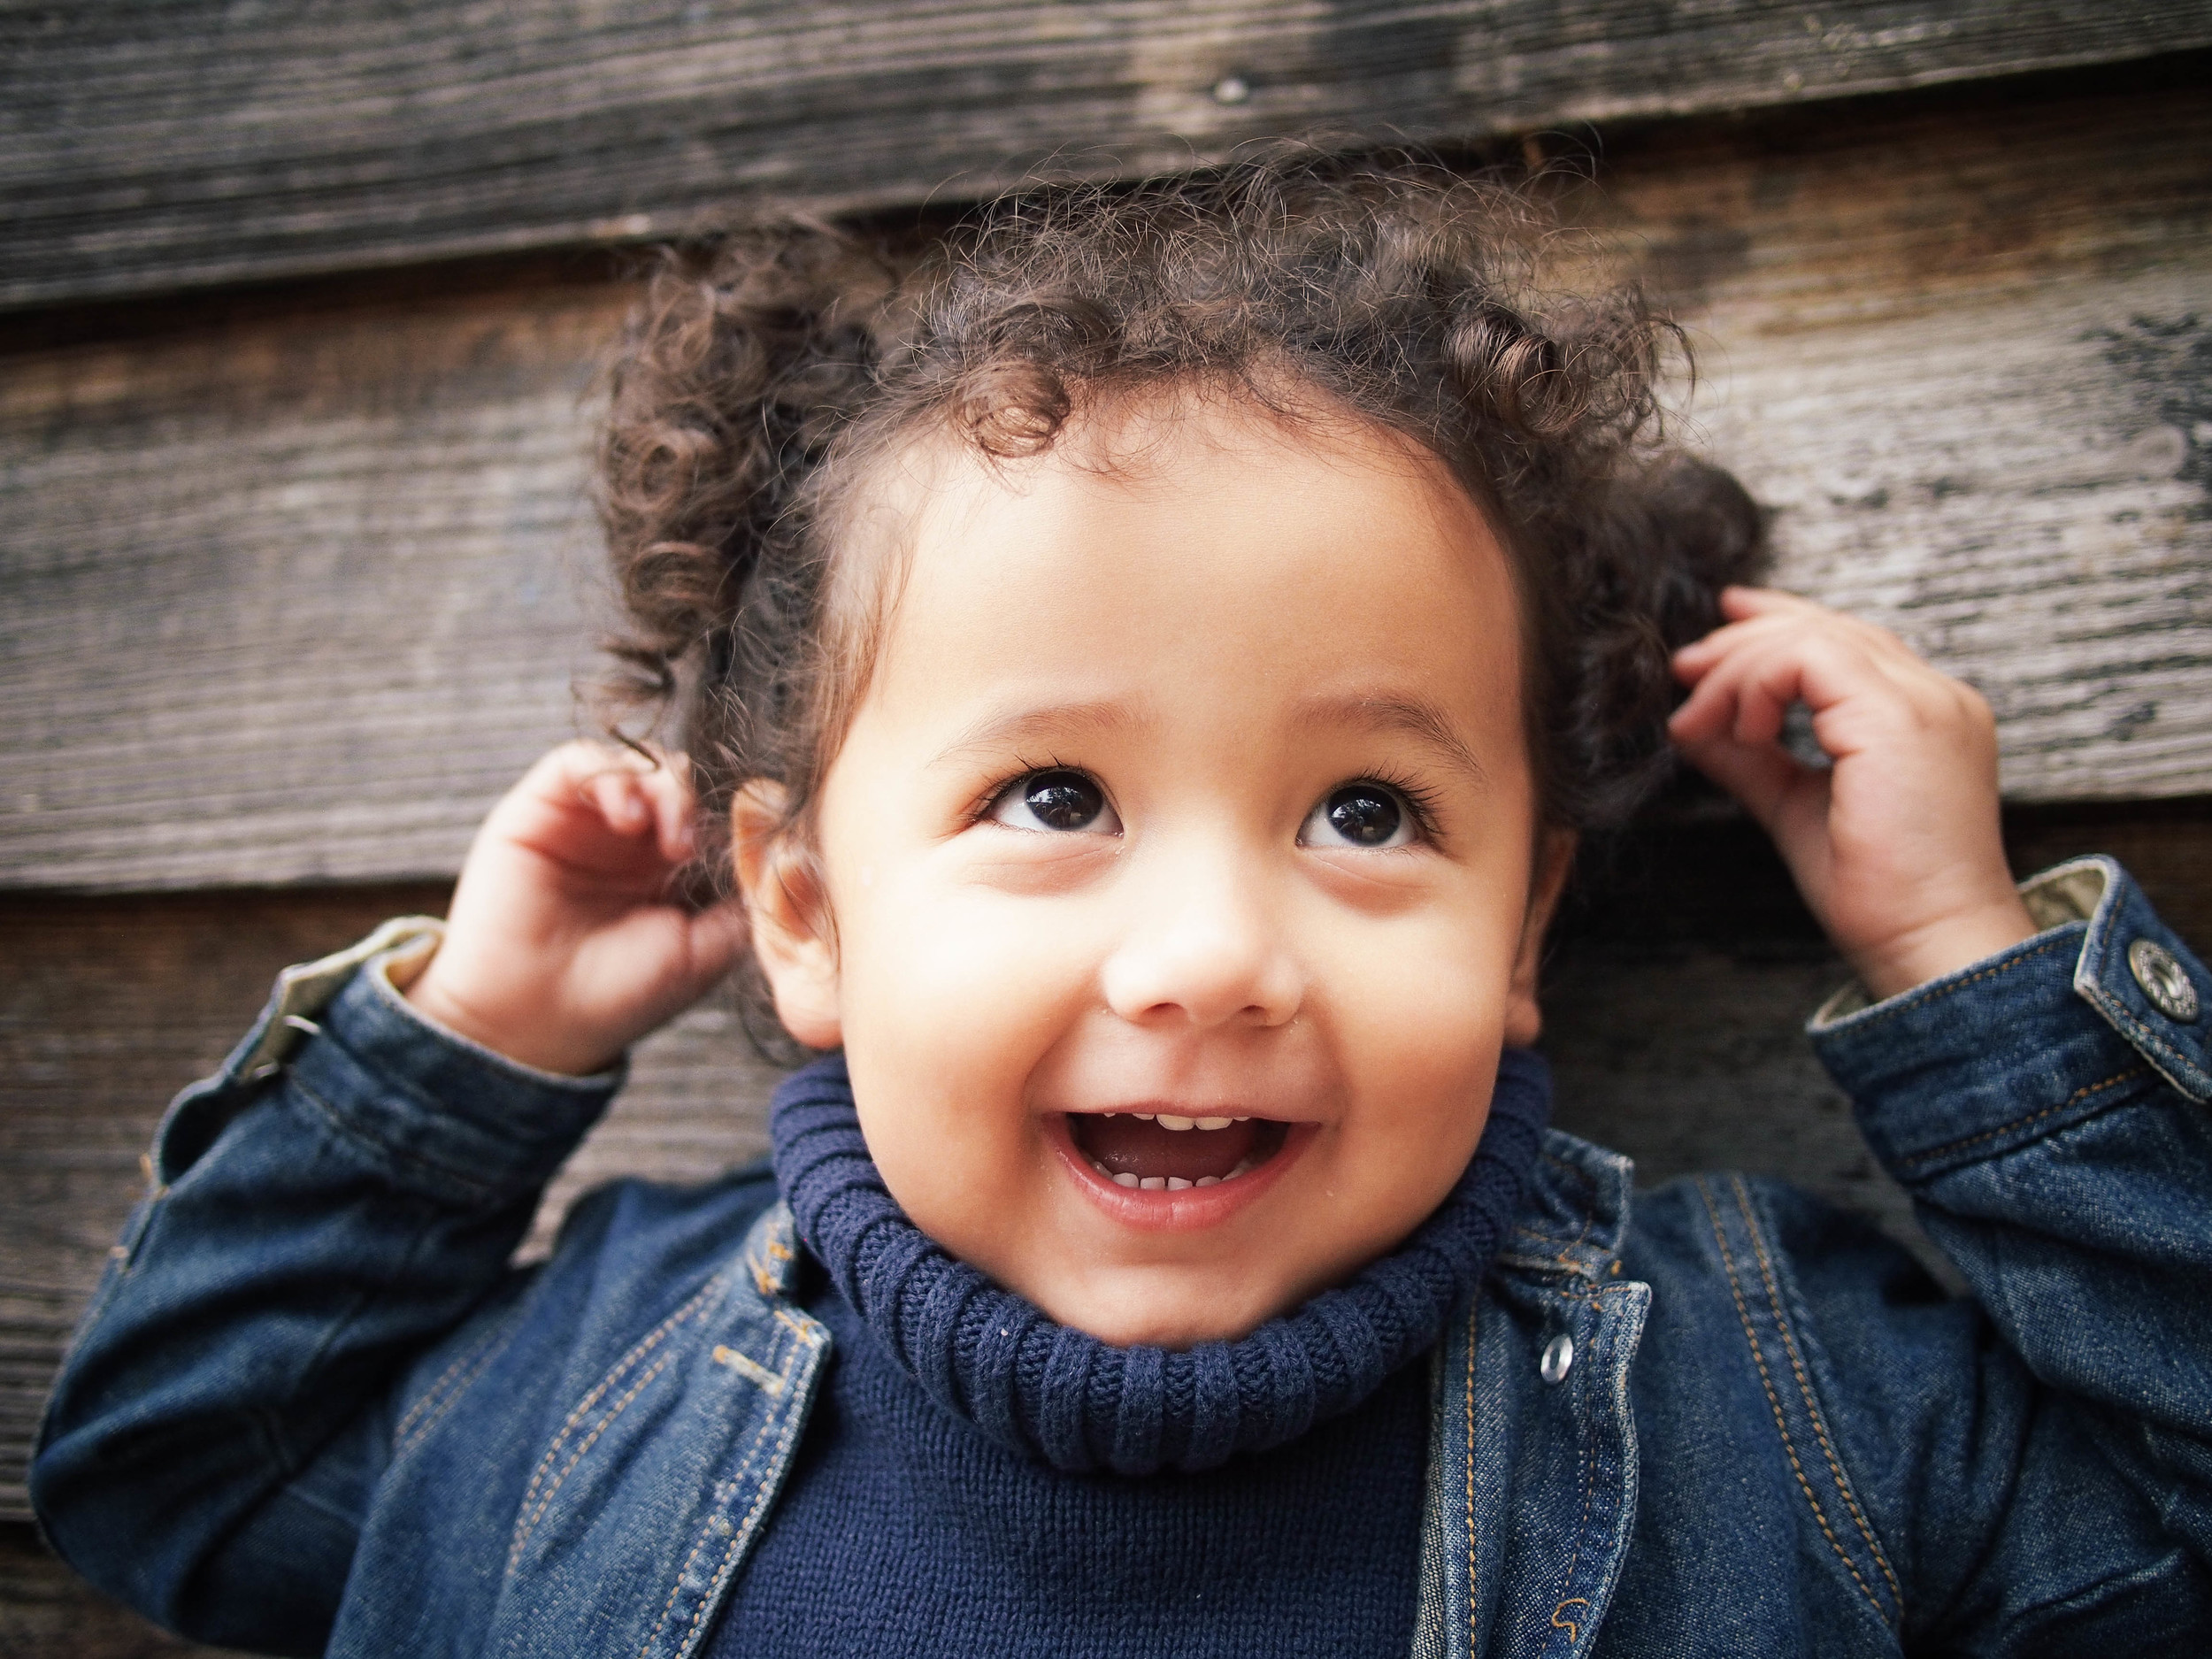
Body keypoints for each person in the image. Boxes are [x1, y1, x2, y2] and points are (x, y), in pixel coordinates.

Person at [31, 154, 2211, 1656]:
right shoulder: (592, 1371)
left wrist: (1959, 963)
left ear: (1523, 927)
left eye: (1365, 811)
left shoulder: (1773, 1392)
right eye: (1052, 790)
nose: (1203, 960)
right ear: (799, 901)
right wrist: (474, 1048)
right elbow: (171, 1482)